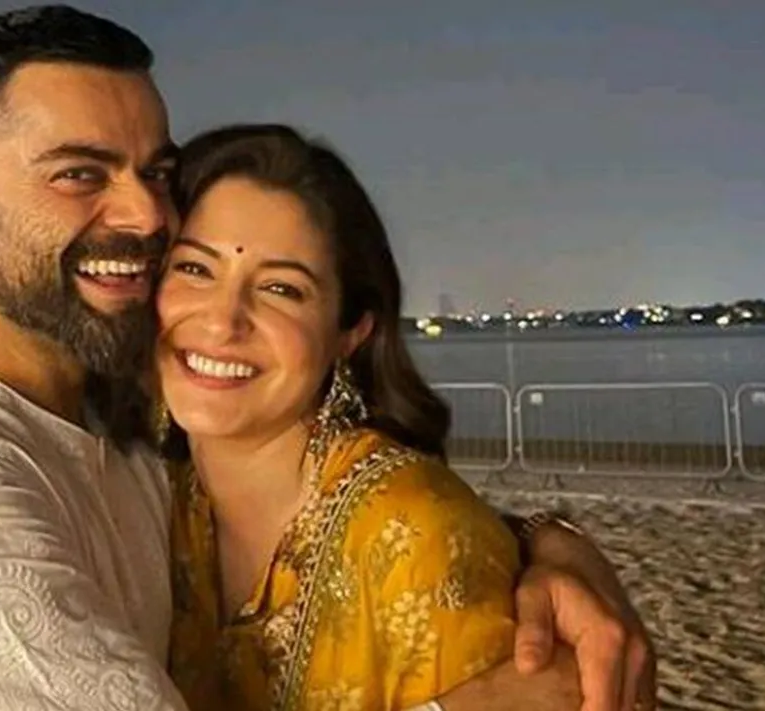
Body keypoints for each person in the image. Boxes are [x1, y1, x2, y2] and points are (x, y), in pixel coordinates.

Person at [0, 6, 656, 711]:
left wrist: (548, 545)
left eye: (155, 173)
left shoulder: (116, 422)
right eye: (80, 174)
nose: (146, 216)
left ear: (351, 327)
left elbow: (350, 515)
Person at [158, 123, 522, 710]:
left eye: (281, 289)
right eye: (195, 269)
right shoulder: (143, 495)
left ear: (351, 331)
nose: (223, 321)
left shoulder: (415, 537)